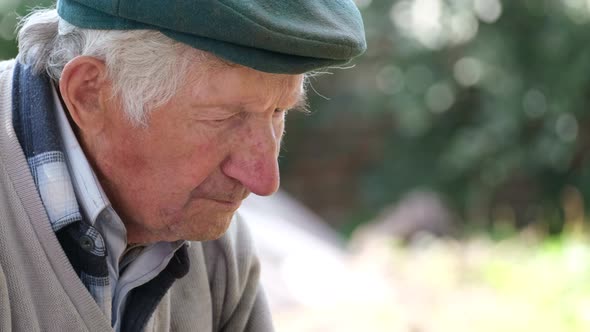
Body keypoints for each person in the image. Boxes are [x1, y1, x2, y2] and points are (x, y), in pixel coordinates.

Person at [0, 0, 365, 331]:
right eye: (223, 118)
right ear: (90, 93)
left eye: (278, 112)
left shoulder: (216, 246)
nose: (263, 180)